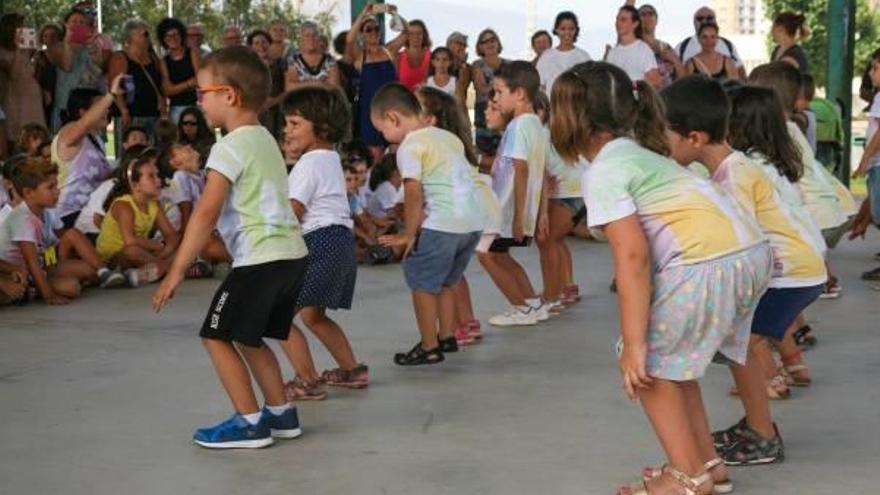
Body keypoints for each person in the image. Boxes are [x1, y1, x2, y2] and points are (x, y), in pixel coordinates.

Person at [551, 61, 769, 495]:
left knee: (649, 362)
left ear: (570, 119)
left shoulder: (607, 170)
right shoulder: (639, 153)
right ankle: (706, 462)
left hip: (708, 262)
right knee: (675, 364)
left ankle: (688, 478)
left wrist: (634, 345)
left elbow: (631, 256)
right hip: (746, 255)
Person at [664, 78, 826, 469]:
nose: (660, 143)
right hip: (796, 269)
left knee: (744, 345)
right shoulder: (733, 168)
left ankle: (762, 435)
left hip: (792, 273)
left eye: (664, 133)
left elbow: (739, 240)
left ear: (695, 137)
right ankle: (758, 425)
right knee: (741, 343)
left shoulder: (734, 175)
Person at [152, 46, 309, 449]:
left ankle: (249, 422)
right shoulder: (264, 140)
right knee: (249, 336)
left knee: (216, 335)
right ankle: (280, 414)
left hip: (259, 259)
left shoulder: (229, 147)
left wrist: (175, 271)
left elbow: (205, 214)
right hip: (290, 257)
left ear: (230, 95)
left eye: (203, 93)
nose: (198, 102)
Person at [371, 83, 483, 365]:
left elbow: (412, 191)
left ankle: (429, 346)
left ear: (393, 118)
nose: (385, 137)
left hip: (442, 224)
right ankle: (447, 336)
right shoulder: (447, 137)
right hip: (471, 223)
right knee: (447, 281)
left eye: (383, 129)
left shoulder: (410, 146)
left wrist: (409, 234)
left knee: (422, 284)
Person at [278, 86, 367, 398]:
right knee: (313, 315)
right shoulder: (330, 159)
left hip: (318, 242)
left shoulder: (309, 163)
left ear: (322, 127)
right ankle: (352, 369)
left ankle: (307, 379)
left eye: (294, 124)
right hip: (340, 241)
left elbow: (293, 211)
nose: (286, 131)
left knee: (277, 316)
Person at [751, 62, 856, 301]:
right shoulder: (792, 129)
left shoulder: (774, 133)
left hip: (819, 216)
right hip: (837, 210)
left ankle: (816, 289)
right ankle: (822, 282)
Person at [415, 85, 499, 345]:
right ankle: (465, 322)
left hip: (462, 211)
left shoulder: (427, 143)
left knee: (444, 272)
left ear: (430, 120)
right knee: (452, 271)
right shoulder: (451, 141)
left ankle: (458, 325)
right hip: (478, 207)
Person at [0, 156, 126, 305]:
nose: (57, 192)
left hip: (43, 265)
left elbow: (49, 249)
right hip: (19, 272)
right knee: (71, 287)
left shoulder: (42, 212)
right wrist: (49, 296)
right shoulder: (21, 219)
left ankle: (104, 273)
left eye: (56, 186)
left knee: (88, 270)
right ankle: (35, 290)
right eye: (50, 187)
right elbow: (32, 262)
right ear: (28, 193)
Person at [479, 61, 548, 326]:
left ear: (519, 93)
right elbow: (538, 174)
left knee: (485, 255)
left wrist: (518, 217)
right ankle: (532, 303)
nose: (495, 98)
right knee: (500, 256)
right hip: (514, 209)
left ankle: (522, 307)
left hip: (506, 209)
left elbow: (521, 170)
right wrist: (537, 213)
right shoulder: (535, 126)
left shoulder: (519, 126)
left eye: (498, 91)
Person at [96, 148, 194, 283]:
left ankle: (149, 271)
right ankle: (173, 269)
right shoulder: (123, 205)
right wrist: (160, 246)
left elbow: (171, 235)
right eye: (151, 176)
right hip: (115, 257)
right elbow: (130, 241)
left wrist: (166, 249)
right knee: (132, 251)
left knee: (183, 243)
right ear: (136, 186)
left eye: (157, 175)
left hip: (146, 253)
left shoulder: (154, 205)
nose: (158, 180)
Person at [533, 91, 587, 311]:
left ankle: (552, 294)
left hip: (568, 193)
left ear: (541, 112)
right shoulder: (553, 132)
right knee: (557, 239)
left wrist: (542, 212)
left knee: (546, 240)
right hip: (579, 191)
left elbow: (543, 175)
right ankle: (567, 286)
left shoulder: (540, 136)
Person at [51, 81, 122, 230]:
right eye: (100, 106)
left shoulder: (97, 140)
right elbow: (83, 125)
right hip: (69, 214)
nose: (107, 110)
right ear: (83, 112)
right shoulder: (68, 132)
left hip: (91, 211)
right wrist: (111, 94)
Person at [344, 4, 405, 163]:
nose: (373, 32)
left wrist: (394, 14)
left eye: (376, 29)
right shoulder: (360, 55)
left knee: (397, 156)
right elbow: (349, 39)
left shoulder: (388, 50)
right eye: (368, 29)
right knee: (374, 156)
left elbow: (408, 33)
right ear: (362, 34)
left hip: (393, 110)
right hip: (370, 112)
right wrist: (363, 14)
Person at [51, 5, 112, 132]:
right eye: (74, 21)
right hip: (65, 103)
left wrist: (93, 45)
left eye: (81, 22)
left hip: (89, 103)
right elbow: (67, 66)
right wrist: (67, 42)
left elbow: (99, 66)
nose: (77, 24)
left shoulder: (91, 46)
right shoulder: (58, 47)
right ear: (66, 24)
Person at [107, 20, 165, 150]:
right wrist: (123, 110)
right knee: (128, 151)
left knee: (150, 151)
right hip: (130, 115)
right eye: (144, 33)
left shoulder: (152, 58)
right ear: (131, 37)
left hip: (151, 114)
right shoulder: (120, 57)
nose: (148, 37)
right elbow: (114, 85)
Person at [0, 14, 47, 141]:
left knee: (36, 136)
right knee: (19, 137)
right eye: (20, 28)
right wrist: (17, 49)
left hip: (33, 99)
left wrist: (33, 54)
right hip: (16, 101)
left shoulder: (26, 51)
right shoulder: (3, 52)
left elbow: (31, 73)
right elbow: (14, 74)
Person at [676, 6, 745, 79]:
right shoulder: (682, 47)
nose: (704, 21)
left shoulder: (728, 45)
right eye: (700, 18)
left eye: (709, 18)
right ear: (694, 22)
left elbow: (740, 72)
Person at [535, 11, 592, 93]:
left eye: (571, 29)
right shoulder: (546, 56)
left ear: (576, 30)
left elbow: (589, 86)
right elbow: (539, 86)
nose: (567, 33)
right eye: (563, 29)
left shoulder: (583, 56)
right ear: (556, 30)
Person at [604, 5, 661, 87]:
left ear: (635, 24)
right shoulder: (612, 53)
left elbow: (656, 81)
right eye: (617, 19)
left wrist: (634, 87)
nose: (618, 23)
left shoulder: (643, 50)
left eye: (623, 20)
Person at [472, 29, 508, 156]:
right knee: (484, 155)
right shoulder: (477, 65)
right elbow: (481, 89)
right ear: (480, 46)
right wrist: (502, 85)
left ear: (498, 43)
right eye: (484, 41)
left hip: (504, 114)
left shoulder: (509, 64)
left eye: (492, 40)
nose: (489, 44)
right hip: (484, 115)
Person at [157, 18, 200, 124]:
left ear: (181, 35)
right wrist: (189, 83)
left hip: (195, 106)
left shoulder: (192, 54)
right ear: (163, 39)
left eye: (176, 34)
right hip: (176, 109)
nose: (173, 38)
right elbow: (167, 90)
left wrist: (176, 88)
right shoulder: (163, 61)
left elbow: (200, 80)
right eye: (168, 36)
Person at [248, 29, 287, 139]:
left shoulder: (281, 64)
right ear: (251, 46)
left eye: (264, 42)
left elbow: (289, 89)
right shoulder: (246, 67)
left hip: (279, 111)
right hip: (255, 111)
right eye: (256, 43)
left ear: (269, 44)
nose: (261, 45)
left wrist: (273, 101)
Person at [638, 4, 685, 88]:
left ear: (656, 20)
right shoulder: (633, 46)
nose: (647, 17)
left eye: (650, 14)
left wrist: (674, 60)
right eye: (643, 15)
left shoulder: (666, 47)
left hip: (667, 97)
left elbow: (683, 77)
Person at [285, 22, 340, 90]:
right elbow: (290, 88)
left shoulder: (330, 61)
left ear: (319, 38)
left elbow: (334, 88)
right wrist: (320, 83)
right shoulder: (293, 61)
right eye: (307, 35)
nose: (311, 39)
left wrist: (303, 83)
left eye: (315, 35)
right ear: (301, 38)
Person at [34, 23, 64, 127]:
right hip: (46, 94)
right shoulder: (39, 55)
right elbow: (36, 77)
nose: (49, 39)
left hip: (62, 93)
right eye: (45, 36)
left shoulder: (64, 54)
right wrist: (43, 91)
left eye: (52, 35)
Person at [445, 31, 472, 126]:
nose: (462, 47)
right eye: (459, 43)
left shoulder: (467, 68)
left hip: (459, 115)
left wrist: (463, 64)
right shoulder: (439, 63)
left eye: (464, 45)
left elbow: (462, 87)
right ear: (449, 45)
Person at [397, 20, 431, 91]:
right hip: (403, 100)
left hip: (425, 100)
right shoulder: (398, 57)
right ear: (406, 36)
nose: (415, 36)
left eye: (419, 33)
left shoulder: (432, 57)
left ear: (424, 35)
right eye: (411, 33)